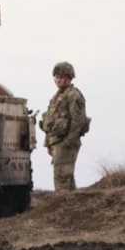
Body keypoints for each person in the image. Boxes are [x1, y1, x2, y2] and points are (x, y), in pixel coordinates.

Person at [41, 61, 88, 192]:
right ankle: (71, 204)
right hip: (57, 142)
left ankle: (64, 204)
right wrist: (48, 143)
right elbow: (49, 122)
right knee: (66, 180)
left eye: (61, 77)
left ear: (69, 78)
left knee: (62, 180)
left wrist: (68, 142)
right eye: (56, 77)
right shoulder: (57, 97)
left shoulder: (73, 95)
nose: (58, 80)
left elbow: (78, 121)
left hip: (66, 143)